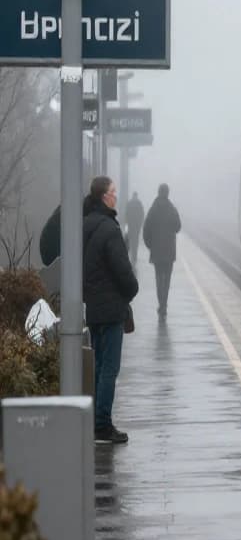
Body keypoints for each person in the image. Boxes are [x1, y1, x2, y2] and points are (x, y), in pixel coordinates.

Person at [83, 176, 139, 443]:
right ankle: (103, 425)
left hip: (93, 308)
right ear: (105, 197)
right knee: (109, 369)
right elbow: (123, 271)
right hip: (111, 308)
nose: (116, 196)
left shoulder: (85, 225)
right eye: (113, 192)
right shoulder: (109, 228)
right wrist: (131, 291)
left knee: (98, 365)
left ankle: (96, 420)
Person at [143, 184, 181, 319]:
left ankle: (161, 304)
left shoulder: (153, 209)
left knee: (159, 278)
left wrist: (150, 245)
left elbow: (146, 229)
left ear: (158, 192)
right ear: (168, 193)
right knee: (167, 279)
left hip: (157, 251)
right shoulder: (172, 209)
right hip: (169, 251)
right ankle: (164, 304)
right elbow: (178, 227)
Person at [124, 191, 145, 269]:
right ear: (136, 196)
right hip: (137, 226)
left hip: (130, 225)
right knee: (135, 241)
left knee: (130, 239)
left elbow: (126, 213)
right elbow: (142, 214)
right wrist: (141, 223)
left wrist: (126, 222)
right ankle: (134, 255)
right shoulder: (139, 203)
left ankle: (130, 254)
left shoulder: (129, 203)